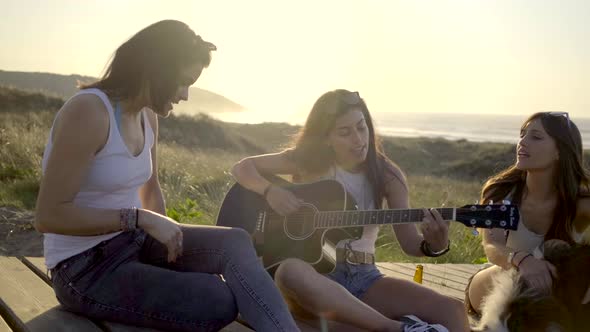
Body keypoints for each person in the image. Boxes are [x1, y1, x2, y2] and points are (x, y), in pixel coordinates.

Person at [34, 20, 299, 332]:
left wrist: (168, 248)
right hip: (83, 269)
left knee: (235, 241)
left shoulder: (147, 116)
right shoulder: (90, 112)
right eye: (183, 82)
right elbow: (48, 216)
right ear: (156, 69)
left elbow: (150, 186)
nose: (186, 95)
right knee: (217, 299)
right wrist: (137, 218)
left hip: (134, 242)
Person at [231, 89, 469, 332]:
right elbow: (243, 168)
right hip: (312, 279)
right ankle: (394, 328)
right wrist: (270, 191)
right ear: (325, 138)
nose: (358, 139)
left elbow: (410, 243)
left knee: (453, 310)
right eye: (345, 132)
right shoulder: (305, 162)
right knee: (289, 271)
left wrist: (434, 245)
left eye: (361, 127)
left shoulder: (387, 174)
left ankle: (327, 323)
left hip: (363, 277)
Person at [465, 112, 590, 317]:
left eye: (536, 137)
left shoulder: (581, 203)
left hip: (553, 290)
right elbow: (492, 246)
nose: (522, 142)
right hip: (498, 283)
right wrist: (524, 262)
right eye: (522, 135)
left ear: (560, 151)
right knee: (516, 280)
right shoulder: (500, 192)